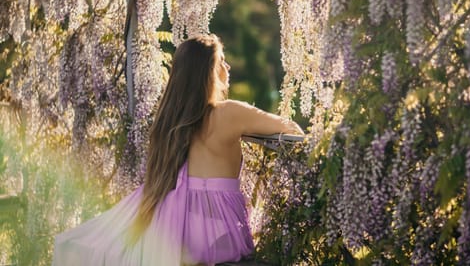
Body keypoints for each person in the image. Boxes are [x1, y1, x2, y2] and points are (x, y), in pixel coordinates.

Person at [52, 33, 304, 266]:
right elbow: (290, 128)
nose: (227, 68)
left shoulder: (169, 120)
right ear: (208, 73)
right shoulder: (229, 113)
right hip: (218, 233)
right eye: (221, 62)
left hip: (175, 227)